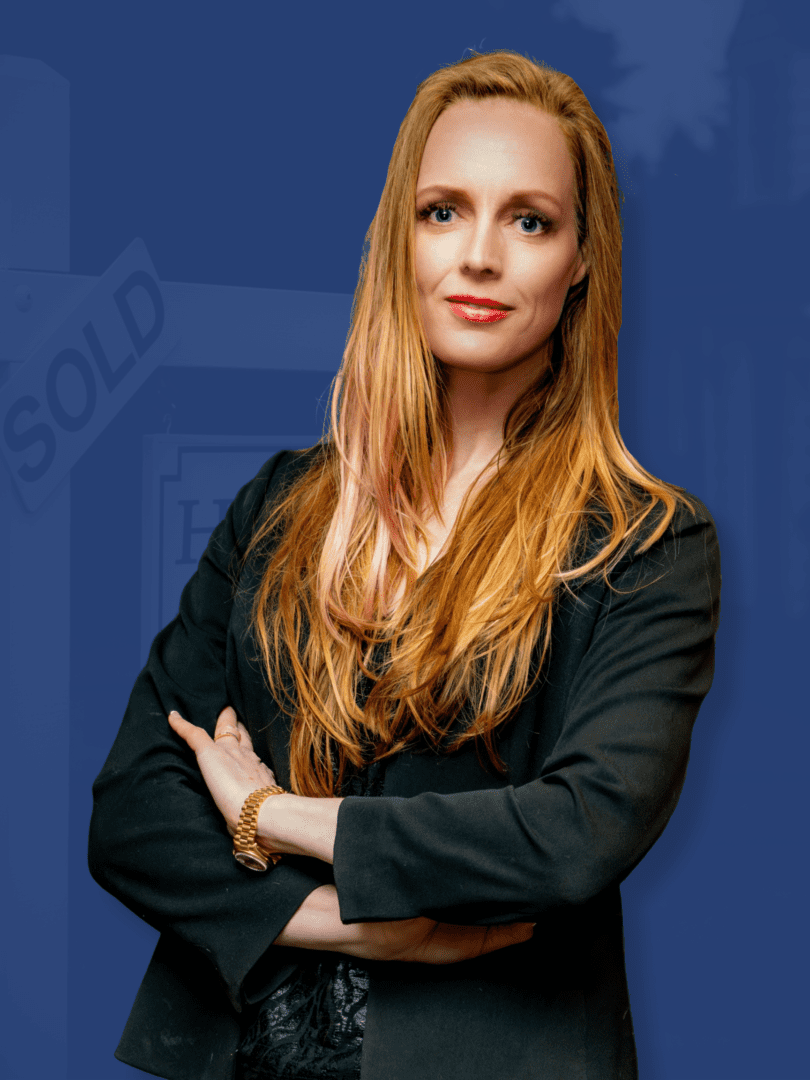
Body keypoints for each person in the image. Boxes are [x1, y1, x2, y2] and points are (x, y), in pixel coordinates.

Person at [88, 48, 721, 1080]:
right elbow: (133, 807)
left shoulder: (647, 546)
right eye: (443, 211)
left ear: (581, 261)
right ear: (398, 240)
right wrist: (344, 924)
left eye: (529, 220)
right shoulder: (280, 505)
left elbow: (574, 833)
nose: (478, 255)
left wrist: (269, 813)